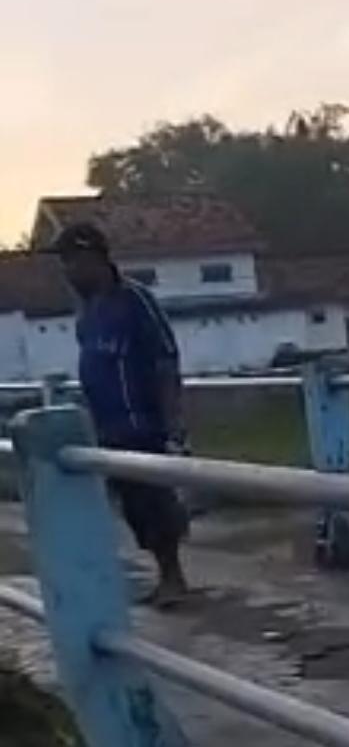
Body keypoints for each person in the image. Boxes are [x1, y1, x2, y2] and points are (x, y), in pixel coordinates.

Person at [49, 222, 190, 607]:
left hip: (143, 424)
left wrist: (173, 425)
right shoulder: (89, 313)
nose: (67, 272)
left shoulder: (135, 300)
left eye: (72, 262)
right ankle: (165, 577)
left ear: (95, 258)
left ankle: (174, 576)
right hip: (108, 427)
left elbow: (165, 360)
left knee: (155, 500)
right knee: (134, 507)